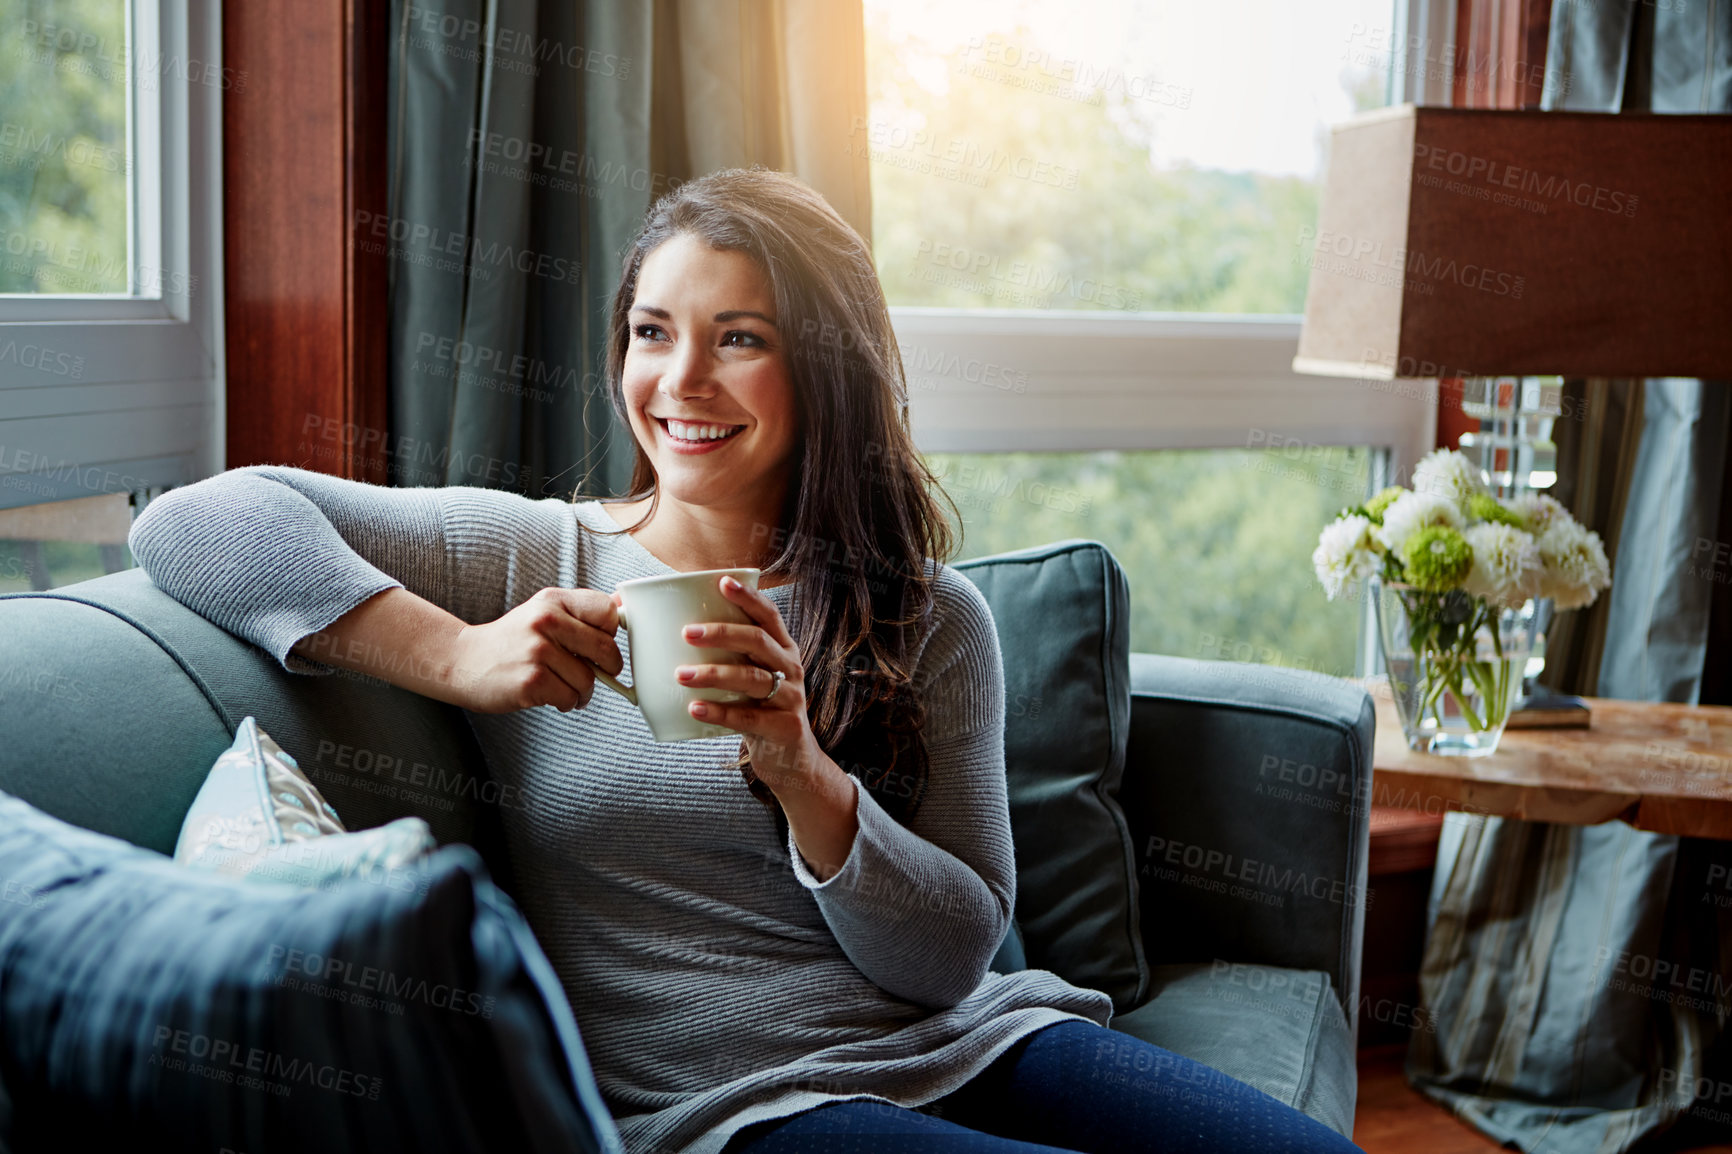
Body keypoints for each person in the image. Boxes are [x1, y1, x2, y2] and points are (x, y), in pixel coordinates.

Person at [129, 168, 1362, 1154]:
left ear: (821, 365)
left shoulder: (926, 616)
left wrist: (800, 769)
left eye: (738, 338)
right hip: (738, 1105)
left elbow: (950, 961)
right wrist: (460, 652)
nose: (680, 380)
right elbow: (194, 519)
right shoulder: (535, 553)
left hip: (979, 1042)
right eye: (652, 331)